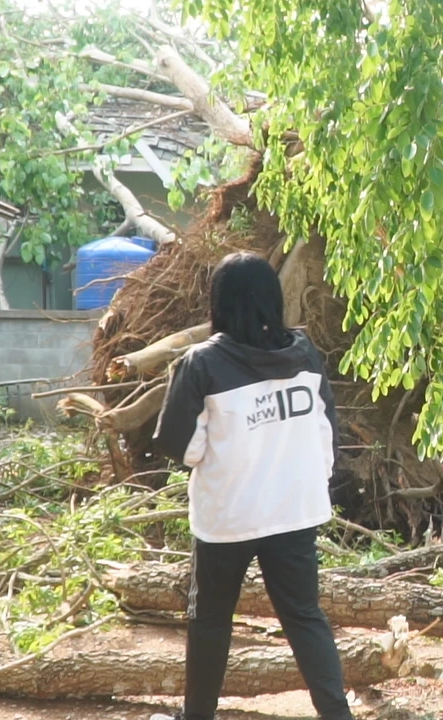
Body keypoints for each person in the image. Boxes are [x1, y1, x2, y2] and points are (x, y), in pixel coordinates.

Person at [148, 251, 353, 720]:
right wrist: (305, 479)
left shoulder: (201, 363)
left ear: (218, 302)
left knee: (211, 621)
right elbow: (326, 430)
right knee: (304, 618)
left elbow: (181, 447)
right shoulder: (303, 353)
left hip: (228, 516)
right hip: (295, 510)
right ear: (271, 299)